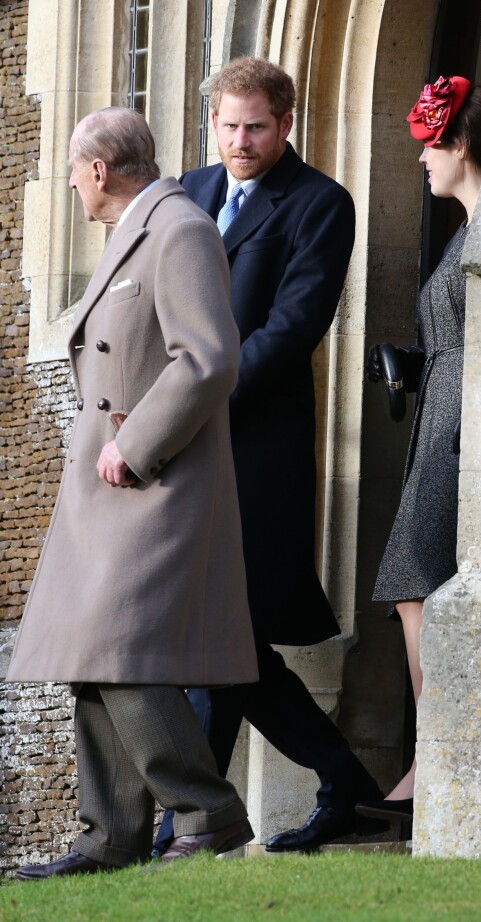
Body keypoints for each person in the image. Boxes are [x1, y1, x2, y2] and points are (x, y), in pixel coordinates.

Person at [7, 106, 259, 879]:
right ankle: (107, 838)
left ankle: (207, 814)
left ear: (97, 170)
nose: (74, 186)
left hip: (154, 478)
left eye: (75, 171)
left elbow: (209, 360)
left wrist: (135, 446)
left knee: (125, 653)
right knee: (94, 651)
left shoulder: (179, 229)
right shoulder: (133, 231)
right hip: (109, 482)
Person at [153, 57, 387, 855]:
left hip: (256, 447)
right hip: (181, 450)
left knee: (227, 633)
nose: (240, 141)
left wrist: (194, 399)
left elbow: (293, 327)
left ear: (286, 124)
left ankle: (190, 825)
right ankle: (333, 785)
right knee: (218, 636)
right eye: (228, 126)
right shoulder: (188, 192)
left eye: (255, 126)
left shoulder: (321, 203)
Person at [356, 77, 481, 824]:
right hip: (439, 418)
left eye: (428, 146)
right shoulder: (464, 230)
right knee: (415, 587)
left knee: (416, 585)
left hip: (463, 430)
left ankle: (437, 759)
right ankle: (434, 756)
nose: (420, 161)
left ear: (459, 144)